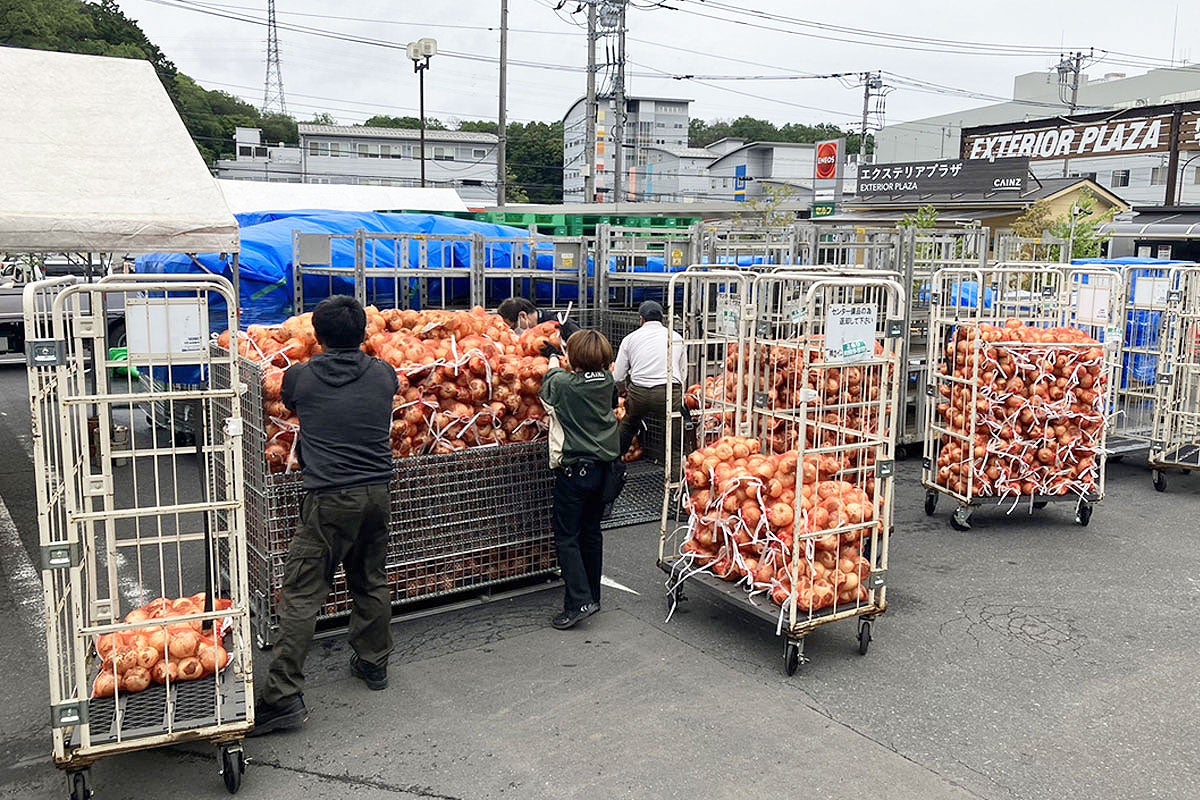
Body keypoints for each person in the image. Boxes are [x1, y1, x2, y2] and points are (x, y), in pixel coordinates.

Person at [251, 295, 400, 736]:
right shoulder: (383, 374)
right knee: (370, 578)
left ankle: (282, 696)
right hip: (377, 492)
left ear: (317, 336)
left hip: (329, 497)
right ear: (364, 333)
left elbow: (288, 400)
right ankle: (374, 663)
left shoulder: (301, 377)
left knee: (302, 592)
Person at [539, 329, 619, 630]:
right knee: (591, 533)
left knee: (567, 537)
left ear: (573, 359)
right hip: (604, 472)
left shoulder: (564, 384)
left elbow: (549, 383)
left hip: (575, 473)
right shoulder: (608, 381)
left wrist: (552, 358)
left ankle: (578, 602)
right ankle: (592, 596)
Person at [613, 300, 688, 466]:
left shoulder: (630, 339)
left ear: (641, 319)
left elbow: (617, 376)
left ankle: (613, 466)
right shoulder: (676, 337)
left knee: (628, 426)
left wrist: (623, 390)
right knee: (674, 442)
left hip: (639, 394)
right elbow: (683, 373)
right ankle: (675, 477)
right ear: (662, 318)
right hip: (669, 393)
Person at [496, 296, 582, 345]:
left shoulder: (562, 323)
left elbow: (584, 348)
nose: (513, 332)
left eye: (513, 327)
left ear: (522, 316)